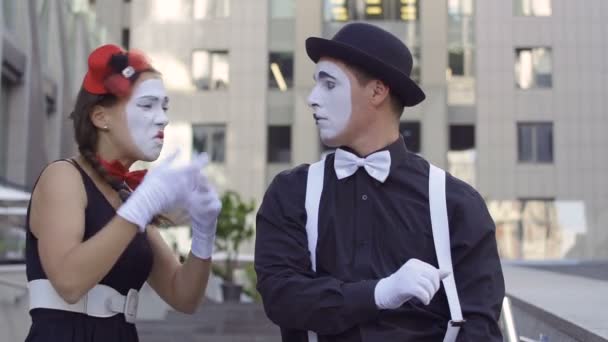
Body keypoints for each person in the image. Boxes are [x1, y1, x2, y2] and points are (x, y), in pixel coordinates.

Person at [255, 23, 505, 341]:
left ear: (377, 91)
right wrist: (380, 293)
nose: (312, 99)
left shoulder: (456, 204)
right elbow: (281, 297)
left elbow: (478, 326)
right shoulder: (290, 194)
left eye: (329, 84)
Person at [24, 44, 221, 341]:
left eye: (164, 106)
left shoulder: (129, 196)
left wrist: (205, 233)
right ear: (100, 117)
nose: (163, 119)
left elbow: (184, 297)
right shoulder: (63, 177)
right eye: (147, 105)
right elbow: (68, 282)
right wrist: (142, 206)